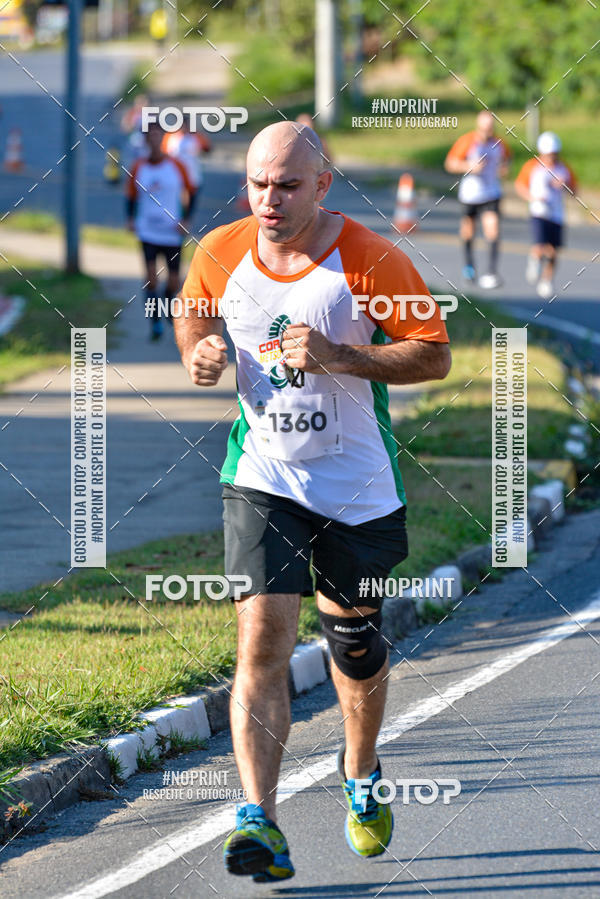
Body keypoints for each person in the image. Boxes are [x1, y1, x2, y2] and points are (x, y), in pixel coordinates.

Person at [174, 121, 451, 882]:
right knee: (261, 639)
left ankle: (359, 773)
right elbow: (195, 311)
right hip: (263, 477)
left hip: (356, 489)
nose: (269, 199)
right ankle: (258, 818)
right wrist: (198, 351)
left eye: (288, 184)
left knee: (353, 649)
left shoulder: (370, 258)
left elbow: (433, 351)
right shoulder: (222, 249)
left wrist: (341, 356)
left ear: (322, 184)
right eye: (259, 183)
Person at [126, 122, 196, 340]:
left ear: (163, 139)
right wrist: (129, 218)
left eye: (158, 135)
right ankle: (155, 322)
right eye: (151, 135)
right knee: (151, 278)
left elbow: (192, 192)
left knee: (174, 282)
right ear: (146, 140)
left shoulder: (177, 165)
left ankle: (167, 309)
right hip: (147, 230)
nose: (154, 139)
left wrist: (186, 218)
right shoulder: (138, 166)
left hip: (171, 230)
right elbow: (130, 195)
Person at [444, 110, 511, 289]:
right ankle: (469, 266)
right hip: (470, 194)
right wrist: (468, 166)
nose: (487, 133)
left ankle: (491, 272)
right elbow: (450, 163)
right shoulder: (467, 142)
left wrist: (504, 169)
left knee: (493, 230)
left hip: (491, 193)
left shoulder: (499, 143)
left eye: (490, 129)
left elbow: (506, 161)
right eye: (484, 129)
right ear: (478, 127)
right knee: (468, 231)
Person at [514, 131, 577, 300]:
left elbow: (574, 190)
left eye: (554, 154)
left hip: (556, 214)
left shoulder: (563, 169)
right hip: (539, 212)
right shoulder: (532, 167)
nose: (552, 157)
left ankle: (546, 280)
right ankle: (534, 262)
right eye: (549, 154)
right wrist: (532, 198)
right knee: (540, 246)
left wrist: (564, 186)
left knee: (553, 252)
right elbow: (519, 186)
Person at [162, 116, 212, 199]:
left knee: (189, 207)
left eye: (186, 125)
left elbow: (208, 149)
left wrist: (201, 149)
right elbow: (162, 153)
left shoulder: (196, 136)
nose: (184, 127)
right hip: (174, 178)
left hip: (193, 178)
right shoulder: (169, 136)